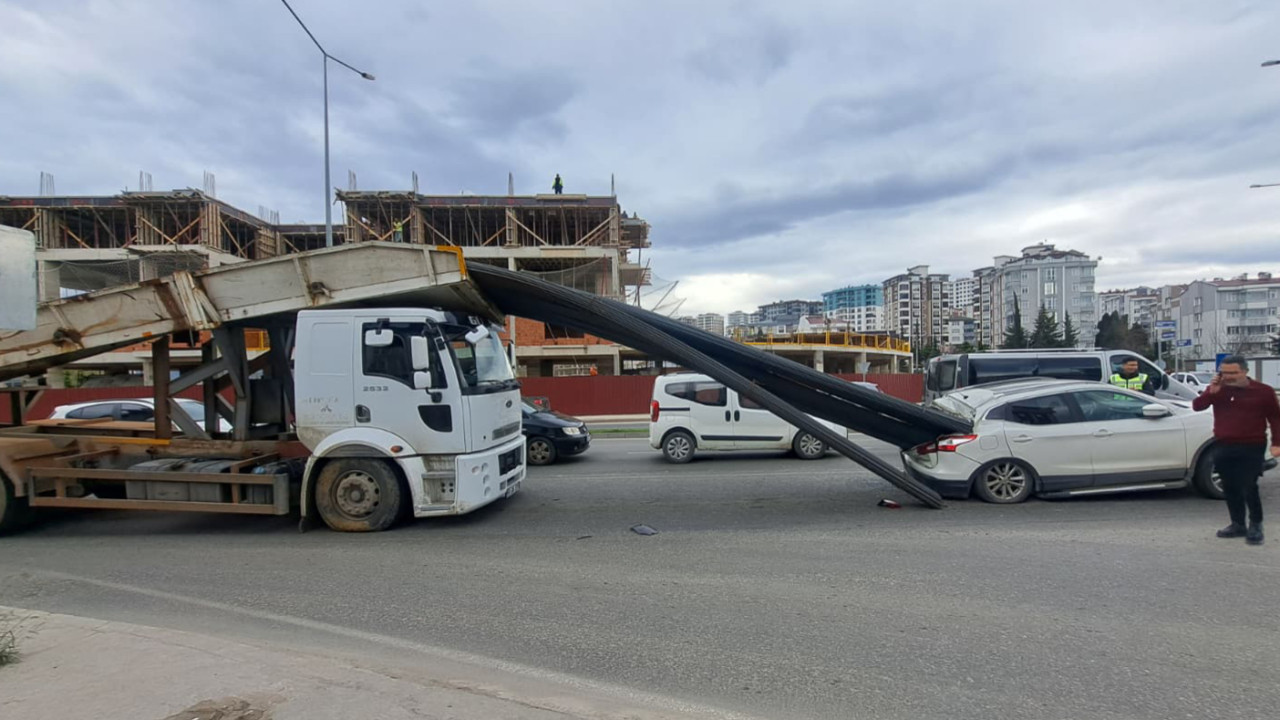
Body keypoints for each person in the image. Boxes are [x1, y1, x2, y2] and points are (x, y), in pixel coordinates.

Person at [1191, 355, 1280, 545]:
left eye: (1233, 373)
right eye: (1225, 372)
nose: (1228, 377)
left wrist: (1277, 443)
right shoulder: (1218, 390)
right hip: (1223, 444)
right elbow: (1197, 406)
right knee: (1230, 486)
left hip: (1252, 444)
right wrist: (1211, 392)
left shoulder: (1263, 391)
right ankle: (1238, 524)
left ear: (1245, 372)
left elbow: (1275, 418)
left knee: (1249, 485)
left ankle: (1256, 525)